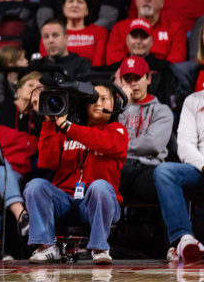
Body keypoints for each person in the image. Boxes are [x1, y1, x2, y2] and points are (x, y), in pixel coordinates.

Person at [24, 82, 128, 264]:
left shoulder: (117, 130)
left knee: (100, 186)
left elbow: (102, 141)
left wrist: (69, 127)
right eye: (93, 99)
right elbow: (47, 162)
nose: (98, 103)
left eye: (104, 99)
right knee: (35, 186)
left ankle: (100, 248)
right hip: (65, 202)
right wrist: (49, 125)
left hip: (97, 204)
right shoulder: (65, 131)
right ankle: (46, 247)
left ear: (115, 105)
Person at [152, 43, 204, 263]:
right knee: (164, 171)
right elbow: (185, 145)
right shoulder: (193, 101)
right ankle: (185, 238)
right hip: (202, 170)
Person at [117, 56, 173, 204]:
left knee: (166, 183)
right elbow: (108, 136)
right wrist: (124, 106)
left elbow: (153, 144)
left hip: (148, 168)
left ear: (148, 79)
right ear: (121, 82)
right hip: (119, 168)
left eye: (137, 78)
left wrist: (117, 146)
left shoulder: (161, 110)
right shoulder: (114, 110)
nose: (133, 84)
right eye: (128, 79)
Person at [106, 0, 187, 65]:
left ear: (162, 2)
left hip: (162, 75)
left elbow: (175, 64)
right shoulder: (120, 28)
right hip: (128, 75)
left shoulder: (175, 28)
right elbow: (114, 62)